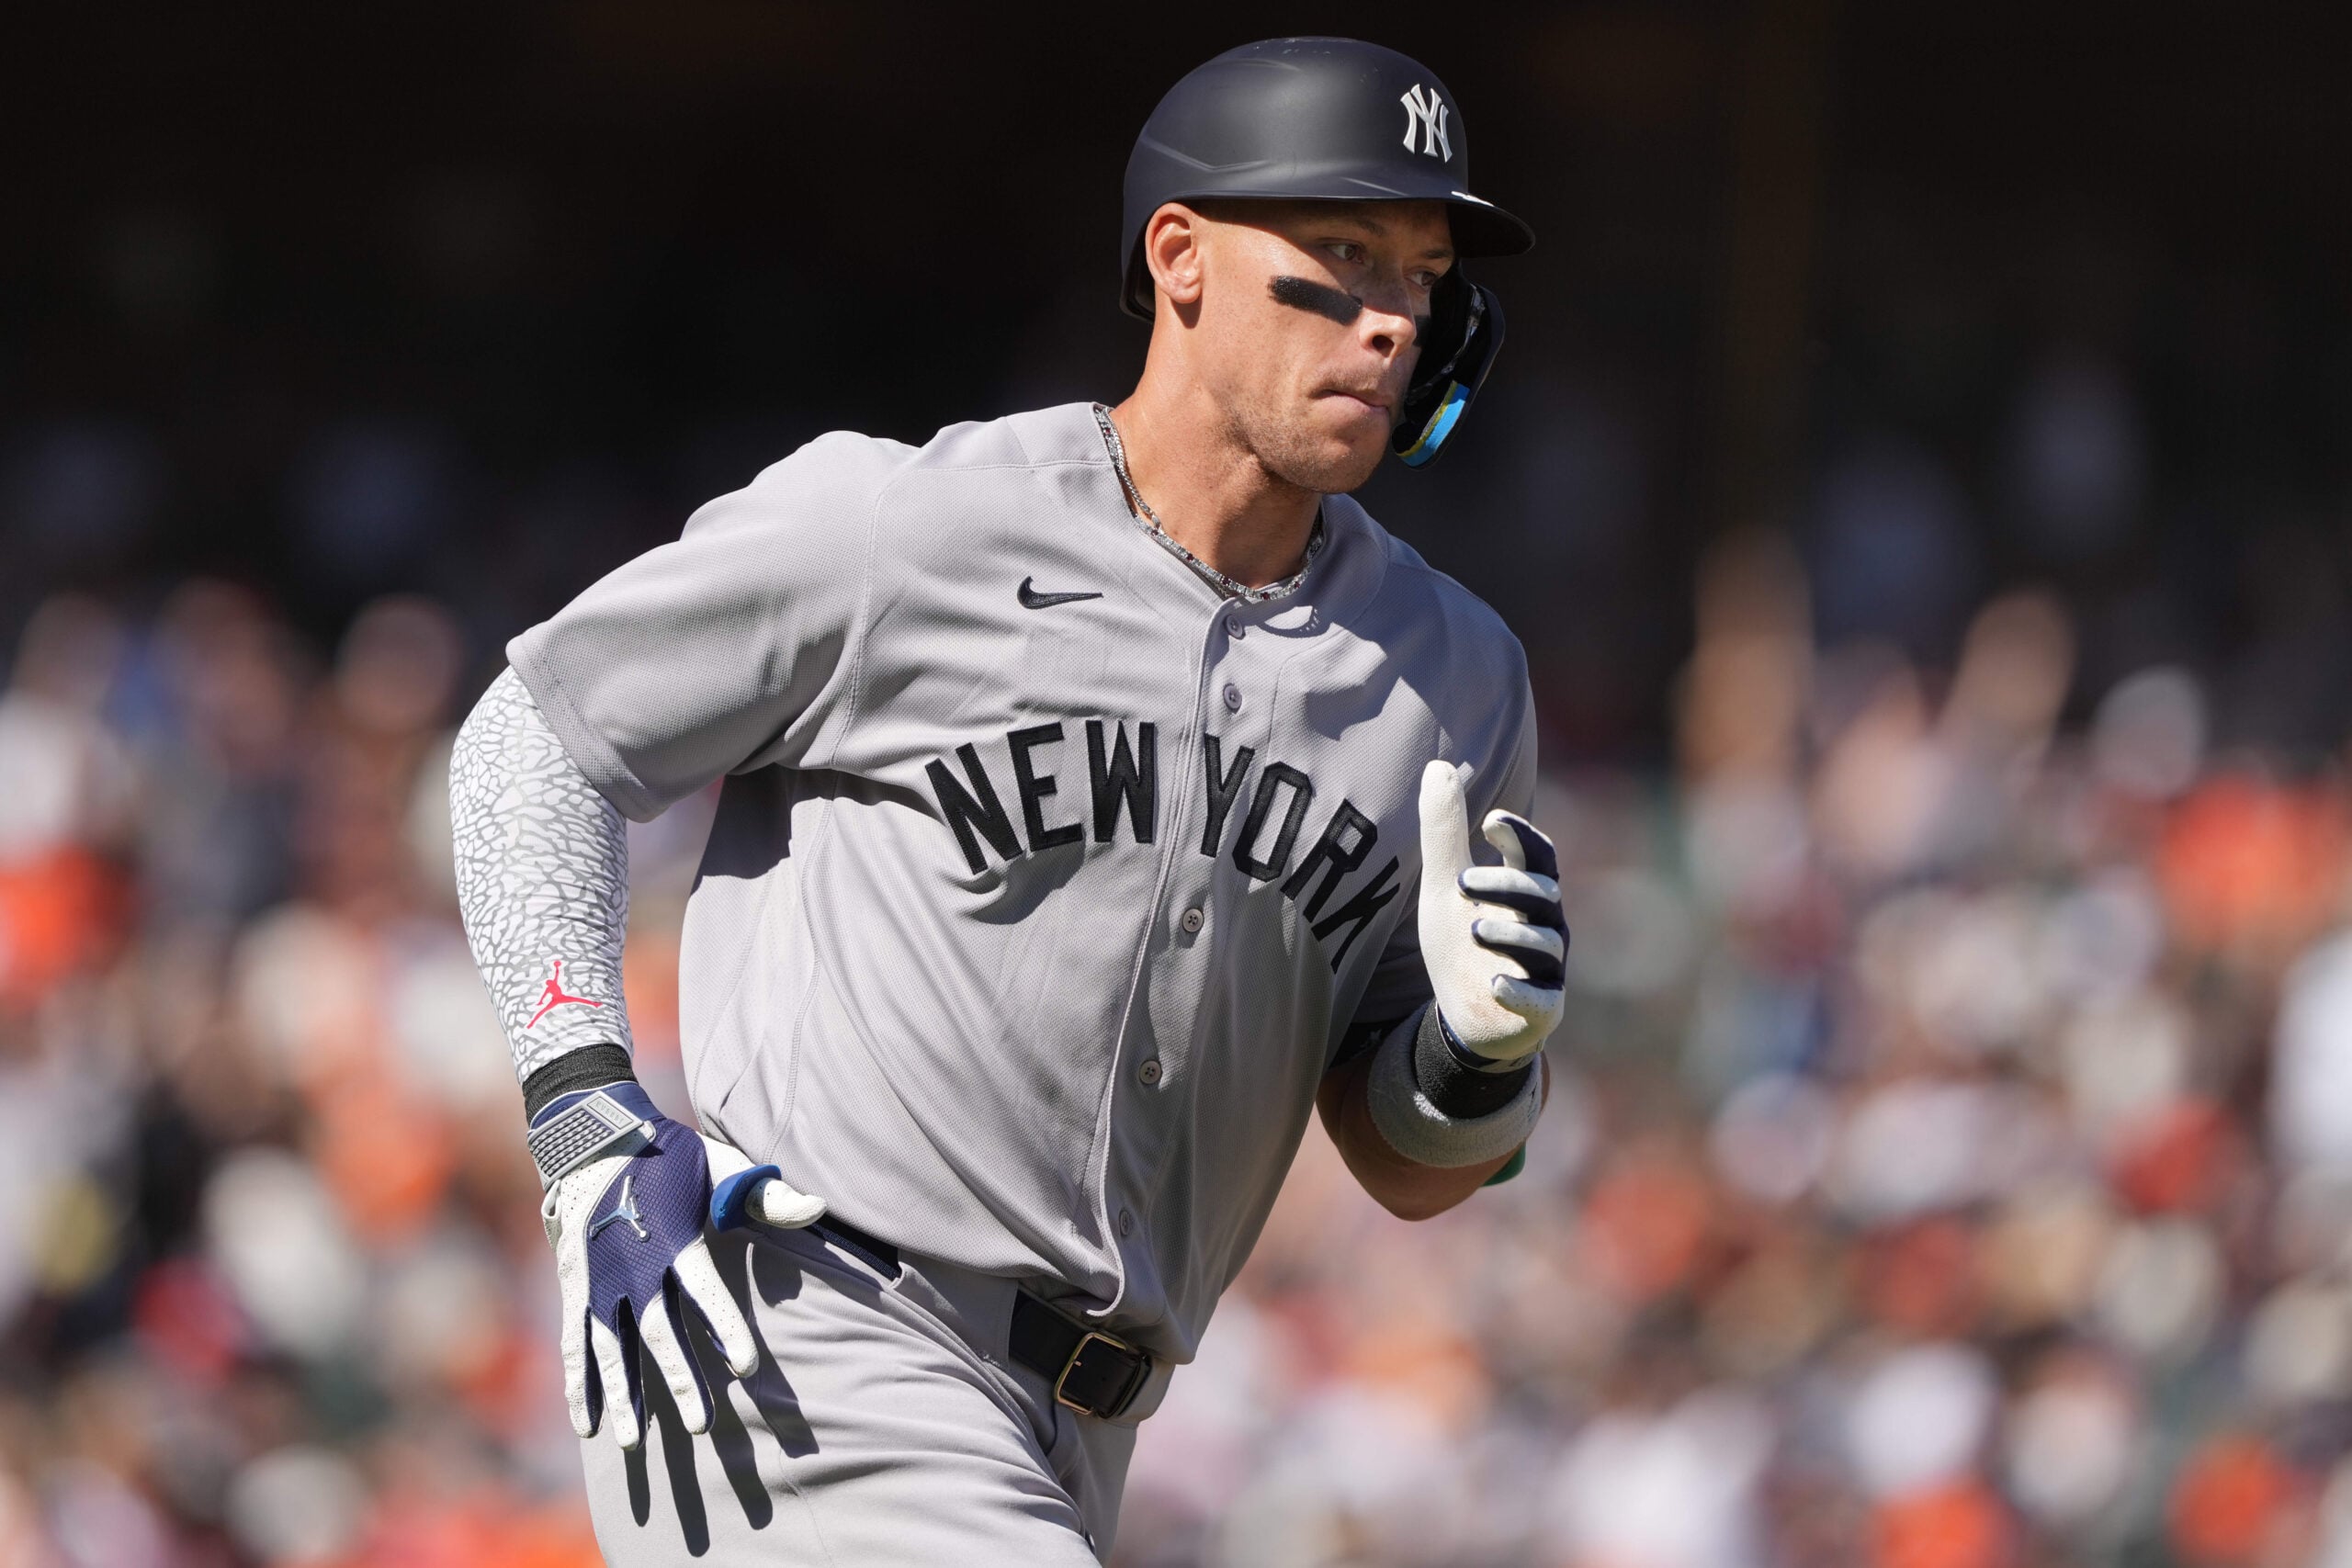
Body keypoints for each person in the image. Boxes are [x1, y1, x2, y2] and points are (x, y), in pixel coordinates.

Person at [450, 36, 1564, 1565]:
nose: (1393, 321)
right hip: (803, 1340)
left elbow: (1406, 1157)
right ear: (1181, 259)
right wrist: (580, 1098)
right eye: (1342, 255)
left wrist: (1481, 1061)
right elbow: (538, 732)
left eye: (1424, 275)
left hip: (1083, 1433)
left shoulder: (1455, 679)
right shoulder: (914, 523)